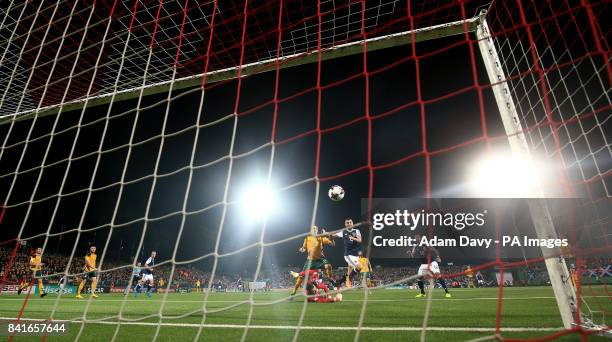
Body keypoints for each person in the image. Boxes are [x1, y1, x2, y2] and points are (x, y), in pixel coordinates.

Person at [291, 226, 335, 296]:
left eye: (315, 229)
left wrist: (331, 239)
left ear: (317, 231)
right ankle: (294, 291)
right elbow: (304, 248)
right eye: (313, 229)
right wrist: (302, 249)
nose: (314, 230)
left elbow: (332, 244)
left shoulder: (321, 238)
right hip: (310, 261)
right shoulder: (307, 239)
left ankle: (330, 279)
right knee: (301, 277)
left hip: (320, 259)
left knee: (328, 266)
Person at [331, 218, 362, 288]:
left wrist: (353, 238)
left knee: (349, 271)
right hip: (348, 255)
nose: (349, 224)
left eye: (350, 222)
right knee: (359, 267)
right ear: (345, 224)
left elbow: (360, 240)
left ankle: (339, 283)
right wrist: (326, 233)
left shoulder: (356, 231)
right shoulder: (343, 232)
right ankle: (349, 278)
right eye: (347, 223)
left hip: (355, 255)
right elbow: (333, 234)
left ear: (352, 223)